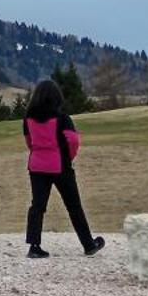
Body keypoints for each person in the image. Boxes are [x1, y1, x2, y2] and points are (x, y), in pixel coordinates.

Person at [22, 78, 106, 259]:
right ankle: (88, 244)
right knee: (74, 206)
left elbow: (29, 141)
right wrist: (69, 156)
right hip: (60, 166)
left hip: (36, 165)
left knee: (37, 206)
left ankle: (34, 246)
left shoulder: (28, 118)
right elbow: (73, 140)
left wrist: (37, 152)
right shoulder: (62, 118)